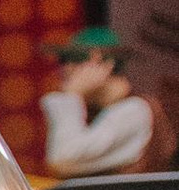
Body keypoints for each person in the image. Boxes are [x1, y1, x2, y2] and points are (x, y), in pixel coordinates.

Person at [39, 34, 166, 181]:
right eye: (63, 60)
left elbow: (63, 158)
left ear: (101, 62)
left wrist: (71, 96)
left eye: (73, 59)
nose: (64, 68)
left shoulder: (134, 110)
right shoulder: (94, 111)